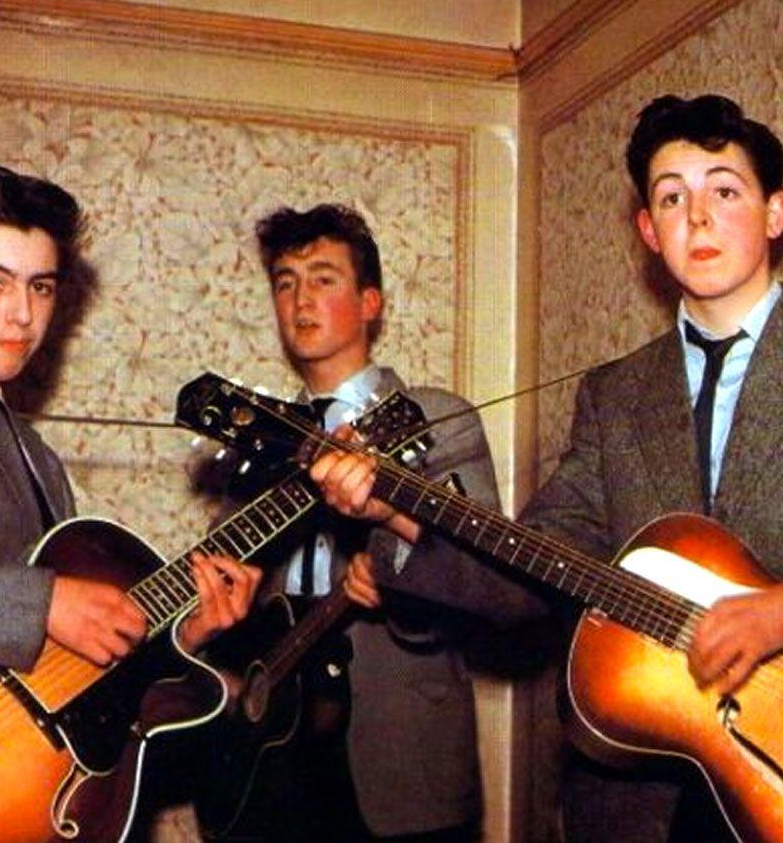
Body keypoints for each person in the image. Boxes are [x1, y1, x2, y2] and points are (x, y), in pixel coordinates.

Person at [311, 95, 783, 841]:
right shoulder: (614, 395)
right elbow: (532, 570)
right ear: (649, 232)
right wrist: (399, 513)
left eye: (725, 190)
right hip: (637, 804)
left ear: (775, 214)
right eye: (672, 197)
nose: (698, 216)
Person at [202, 204, 545, 842]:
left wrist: (400, 573)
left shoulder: (436, 419)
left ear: (370, 303)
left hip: (400, 755)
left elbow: (493, 582)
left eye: (323, 278)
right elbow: (233, 604)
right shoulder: (259, 441)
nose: (301, 298)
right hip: (271, 752)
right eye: (285, 281)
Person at [0, 161, 259, 673]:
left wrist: (186, 632)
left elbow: (55, 669)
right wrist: (45, 602)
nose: (24, 314)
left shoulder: (39, 457)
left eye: (41, 287)